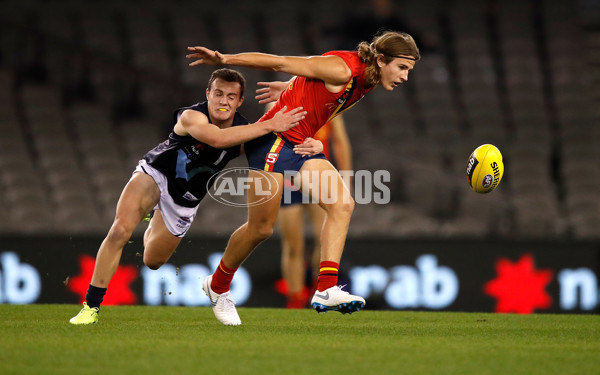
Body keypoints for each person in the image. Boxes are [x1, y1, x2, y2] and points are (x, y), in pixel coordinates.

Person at [187, 30, 420, 325]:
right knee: (260, 229)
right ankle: (217, 285)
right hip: (272, 141)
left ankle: (325, 289)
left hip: (299, 146)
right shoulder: (342, 68)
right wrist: (225, 58)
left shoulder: (369, 78)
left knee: (342, 204)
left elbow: (325, 99)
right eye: (402, 68)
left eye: (408, 71)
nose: (405, 77)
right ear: (381, 59)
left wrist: (293, 93)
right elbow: (281, 62)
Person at [68, 68, 322, 325]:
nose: (223, 101)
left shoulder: (245, 131)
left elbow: (280, 152)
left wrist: (314, 146)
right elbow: (217, 138)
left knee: (153, 261)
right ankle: (91, 306)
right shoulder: (191, 116)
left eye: (231, 97)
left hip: (184, 200)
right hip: (155, 175)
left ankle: (152, 215)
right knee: (120, 231)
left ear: (239, 101)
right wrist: (268, 125)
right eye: (219, 94)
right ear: (208, 93)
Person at [274, 111, 352, 309]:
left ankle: (321, 291)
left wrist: (346, 179)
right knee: (293, 244)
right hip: (289, 176)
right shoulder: (281, 102)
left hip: (317, 174)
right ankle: (296, 299)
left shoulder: (330, 105)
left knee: (323, 239)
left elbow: (340, 142)